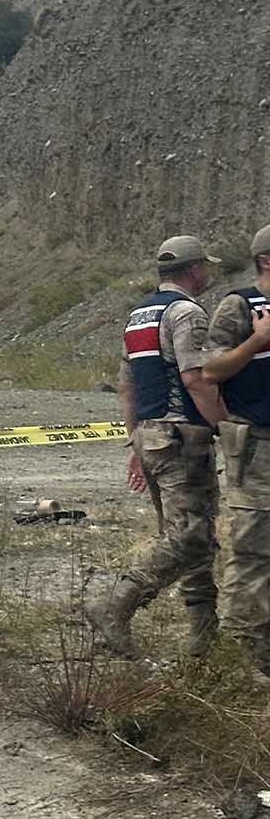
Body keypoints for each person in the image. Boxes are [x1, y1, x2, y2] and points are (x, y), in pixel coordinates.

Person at [85, 236, 228, 657]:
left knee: (191, 538)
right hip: (182, 438)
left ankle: (203, 642)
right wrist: (225, 424)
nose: (207, 273)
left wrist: (135, 442)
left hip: (151, 437)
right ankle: (115, 603)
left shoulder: (138, 316)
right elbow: (194, 377)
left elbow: (127, 387)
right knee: (191, 537)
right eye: (205, 266)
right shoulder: (186, 313)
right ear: (194, 268)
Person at [192, 223, 270, 680]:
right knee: (253, 548)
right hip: (258, 444)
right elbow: (211, 369)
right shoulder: (239, 306)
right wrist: (258, 341)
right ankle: (242, 656)